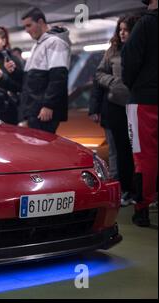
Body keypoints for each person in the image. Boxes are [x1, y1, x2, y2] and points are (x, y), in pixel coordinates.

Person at [95, 14, 140, 207]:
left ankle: (143, 190)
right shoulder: (113, 50)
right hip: (116, 106)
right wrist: (113, 82)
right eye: (120, 29)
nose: (122, 33)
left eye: (126, 29)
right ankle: (126, 190)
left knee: (138, 151)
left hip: (138, 104)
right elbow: (99, 73)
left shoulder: (142, 49)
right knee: (121, 152)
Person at [121, 0, 158, 227]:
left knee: (145, 158)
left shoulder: (145, 24)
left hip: (145, 100)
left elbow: (129, 60)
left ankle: (142, 209)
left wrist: (135, 85)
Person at [20, 7, 71, 133]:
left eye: (29, 25)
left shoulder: (55, 42)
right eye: (25, 27)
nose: (26, 30)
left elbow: (58, 77)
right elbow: (29, 80)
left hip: (44, 112)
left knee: (44, 148)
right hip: (35, 110)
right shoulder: (37, 45)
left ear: (41, 22)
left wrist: (48, 105)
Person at [89, 79, 119, 181]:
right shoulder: (104, 69)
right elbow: (97, 89)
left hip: (116, 112)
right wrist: (94, 110)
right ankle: (114, 180)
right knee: (114, 151)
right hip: (110, 113)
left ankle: (119, 180)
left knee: (115, 151)